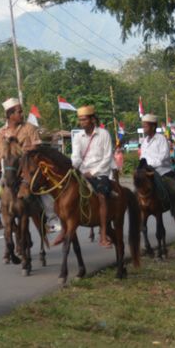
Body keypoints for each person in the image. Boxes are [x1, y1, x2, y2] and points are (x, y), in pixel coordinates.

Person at [0, 98, 58, 234]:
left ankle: (52, 220)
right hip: (9, 169)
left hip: (28, 168)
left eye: (21, 112)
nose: (22, 114)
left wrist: (28, 148)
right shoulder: (1, 132)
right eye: (19, 112)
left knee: (44, 188)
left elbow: (38, 146)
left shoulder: (29, 128)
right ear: (10, 115)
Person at [71, 106, 114, 248]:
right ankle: (65, 228)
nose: (81, 122)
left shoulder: (104, 134)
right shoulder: (78, 137)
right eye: (80, 120)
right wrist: (74, 167)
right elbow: (76, 156)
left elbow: (107, 158)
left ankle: (103, 234)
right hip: (82, 173)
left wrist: (94, 172)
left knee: (102, 196)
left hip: (100, 173)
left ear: (92, 119)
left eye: (84, 119)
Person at [140, 114, 175, 231]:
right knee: (137, 190)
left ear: (153, 126)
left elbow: (164, 156)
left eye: (145, 126)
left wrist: (150, 166)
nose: (144, 129)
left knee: (174, 191)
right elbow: (142, 157)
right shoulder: (144, 142)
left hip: (162, 172)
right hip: (147, 172)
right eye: (143, 126)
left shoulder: (161, 139)